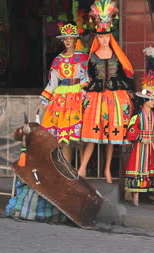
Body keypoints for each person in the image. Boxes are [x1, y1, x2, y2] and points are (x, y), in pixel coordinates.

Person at [78, 0, 134, 183]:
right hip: (96, 98)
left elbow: (126, 73)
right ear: (97, 38)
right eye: (101, 37)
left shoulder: (117, 56)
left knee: (111, 137)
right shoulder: (92, 57)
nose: (104, 40)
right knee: (93, 136)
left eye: (107, 37)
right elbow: (89, 77)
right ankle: (82, 168)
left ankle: (108, 170)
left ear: (111, 37)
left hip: (115, 98)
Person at [40, 22, 88, 162]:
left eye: (70, 38)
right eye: (65, 38)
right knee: (63, 137)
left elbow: (86, 79)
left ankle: (82, 170)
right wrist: (45, 99)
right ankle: (67, 170)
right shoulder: (58, 59)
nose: (67, 41)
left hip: (78, 96)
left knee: (81, 135)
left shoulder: (83, 57)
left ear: (75, 40)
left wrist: (84, 94)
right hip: (61, 99)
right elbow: (53, 83)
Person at [124, 82, 154, 206]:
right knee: (138, 167)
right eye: (151, 99)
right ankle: (134, 196)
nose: (153, 102)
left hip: (150, 147)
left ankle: (147, 194)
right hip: (140, 148)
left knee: (149, 168)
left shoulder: (153, 115)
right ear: (145, 100)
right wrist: (141, 138)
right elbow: (131, 132)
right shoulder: (138, 115)